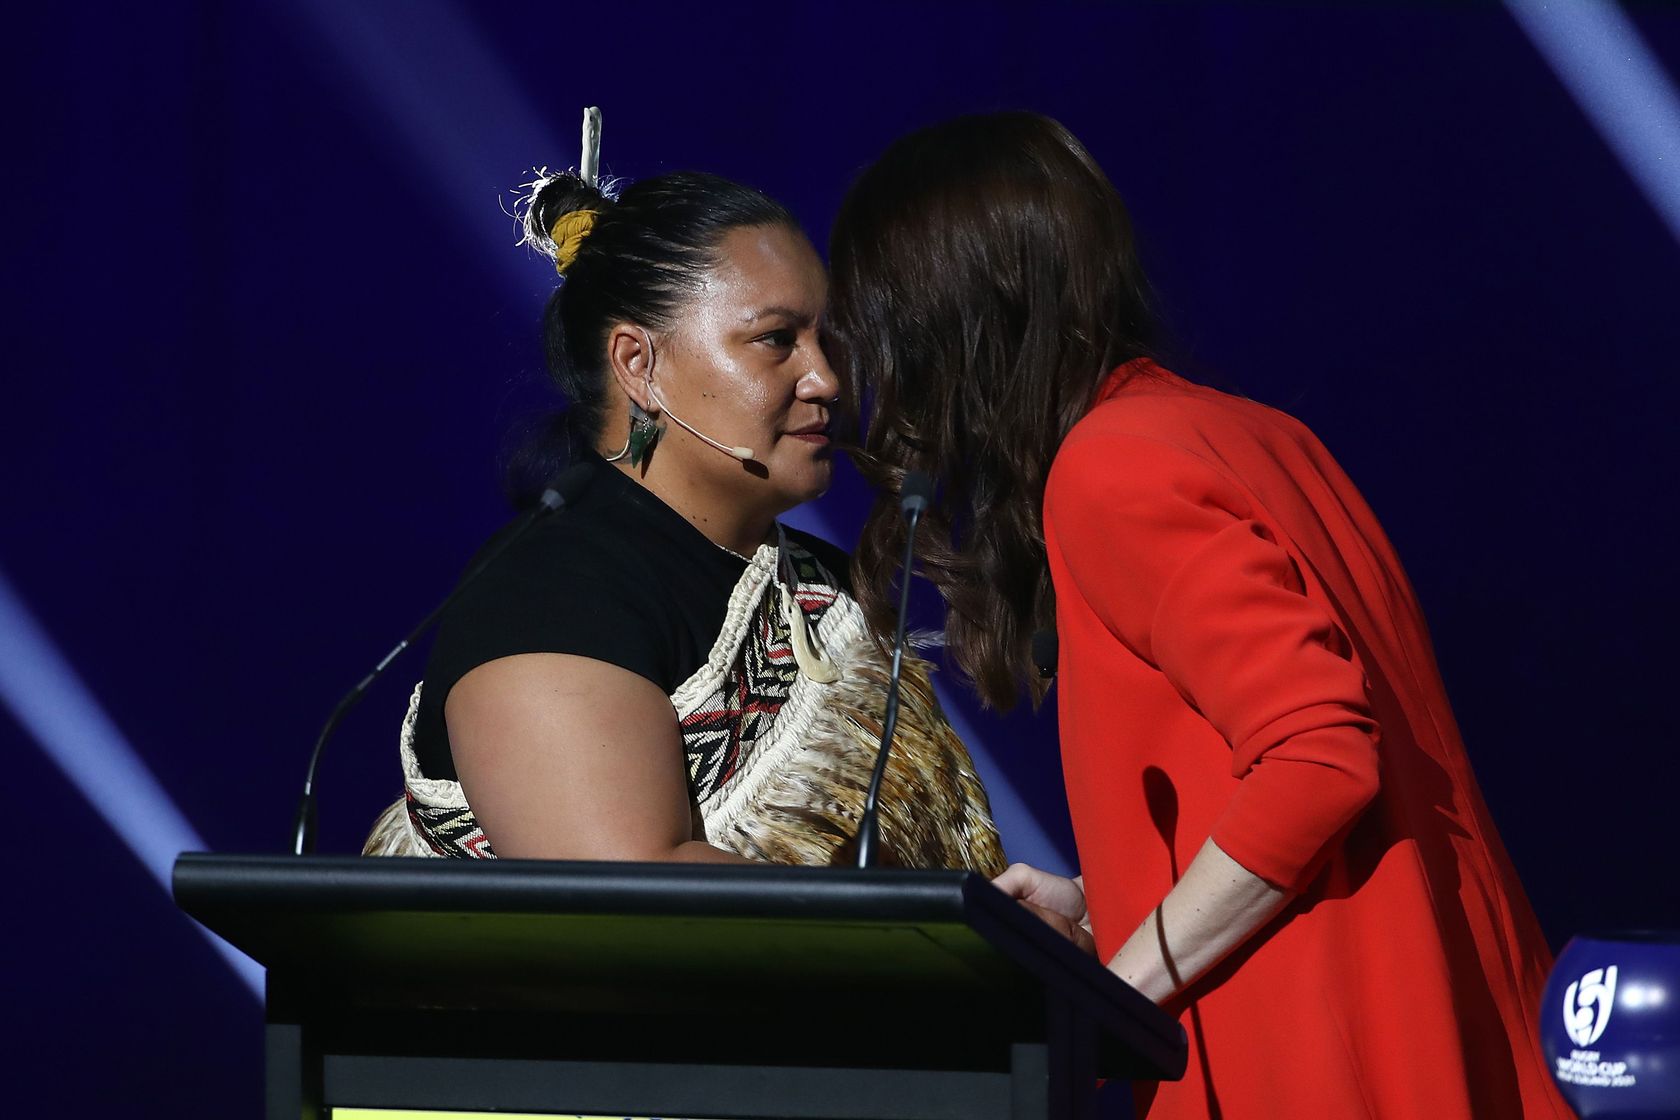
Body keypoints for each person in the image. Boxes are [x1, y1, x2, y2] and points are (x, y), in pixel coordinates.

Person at [826, 111, 1568, 1118]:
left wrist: (1109, 993)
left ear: (949, 325)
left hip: (1319, 1063)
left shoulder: (1110, 468)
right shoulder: (1255, 433)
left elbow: (1320, 758)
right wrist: (1106, 904)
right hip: (1437, 1028)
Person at [362, 165, 1006, 876]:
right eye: (776, 339)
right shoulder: (548, 595)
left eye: (827, 341)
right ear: (638, 364)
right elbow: (621, 897)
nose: (826, 379)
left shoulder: (819, 584)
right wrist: (915, 924)